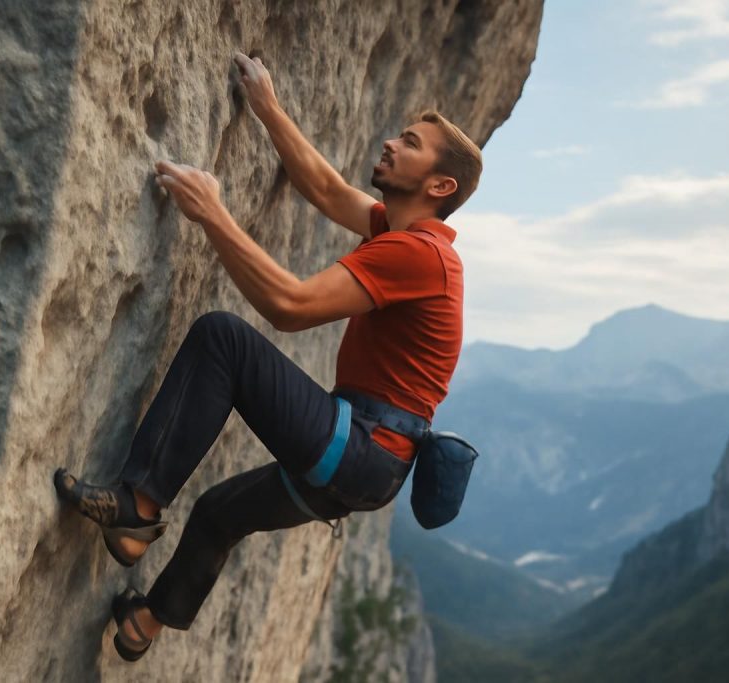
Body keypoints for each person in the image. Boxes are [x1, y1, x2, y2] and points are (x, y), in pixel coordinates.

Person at [53, 50, 482, 661]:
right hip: (370, 468)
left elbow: (289, 304)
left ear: (440, 186)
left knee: (224, 339)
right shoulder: (404, 235)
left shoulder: (420, 254)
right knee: (218, 513)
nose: (390, 142)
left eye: (410, 143)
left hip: (361, 448)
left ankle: (137, 506)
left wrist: (211, 212)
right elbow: (329, 189)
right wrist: (267, 108)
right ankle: (144, 621)